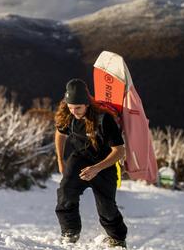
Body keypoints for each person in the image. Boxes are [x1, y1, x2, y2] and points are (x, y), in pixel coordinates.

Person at [54, 78, 128, 248]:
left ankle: (117, 240)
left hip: (104, 162)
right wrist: (60, 159)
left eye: (78, 108)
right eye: (71, 107)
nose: (74, 112)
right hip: (80, 158)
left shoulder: (104, 119)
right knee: (66, 193)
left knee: (107, 207)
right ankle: (70, 232)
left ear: (87, 103)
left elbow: (119, 151)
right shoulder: (67, 114)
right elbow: (60, 133)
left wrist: (96, 168)